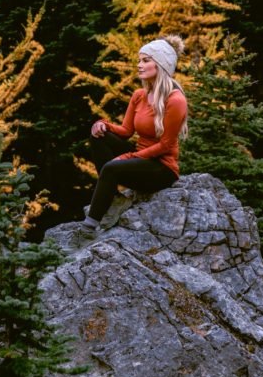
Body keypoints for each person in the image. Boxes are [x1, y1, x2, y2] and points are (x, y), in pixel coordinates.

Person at [79, 35, 188, 238]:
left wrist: (130, 158)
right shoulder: (139, 95)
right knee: (98, 137)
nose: (139, 65)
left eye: (146, 60)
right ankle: (115, 200)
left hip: (162, 169)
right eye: (139, 60)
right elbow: (126, 131)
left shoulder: (175, 100)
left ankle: (90, 225)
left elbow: (166, 145)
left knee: (111, 168)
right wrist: (103, 125)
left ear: (161, 65)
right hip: (141, 157)